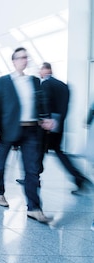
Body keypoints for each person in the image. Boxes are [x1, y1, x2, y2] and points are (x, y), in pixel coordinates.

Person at [0, 47, 53, 223]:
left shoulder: (34, 81)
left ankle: (34, 207)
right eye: (21, 57)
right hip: (7, 129)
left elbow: (41, 101)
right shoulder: (2, 82)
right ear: (14, 60)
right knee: (0, 164)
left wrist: (46, 117)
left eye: (26, 57)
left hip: (31, 130)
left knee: (32, 169)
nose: (25, 60)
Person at [36, 62, 91, 194]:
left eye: (40, 70)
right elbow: (65, 106)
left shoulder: (46, 84)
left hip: (48, 123)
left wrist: (47, 120)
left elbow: (46, 102)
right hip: (59, 123)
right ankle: (78, 177)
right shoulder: (64, 85)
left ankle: (34, 177)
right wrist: (59, 121)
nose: (39, 73)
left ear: (46, 69)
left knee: (40, 149)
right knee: (54, 150)